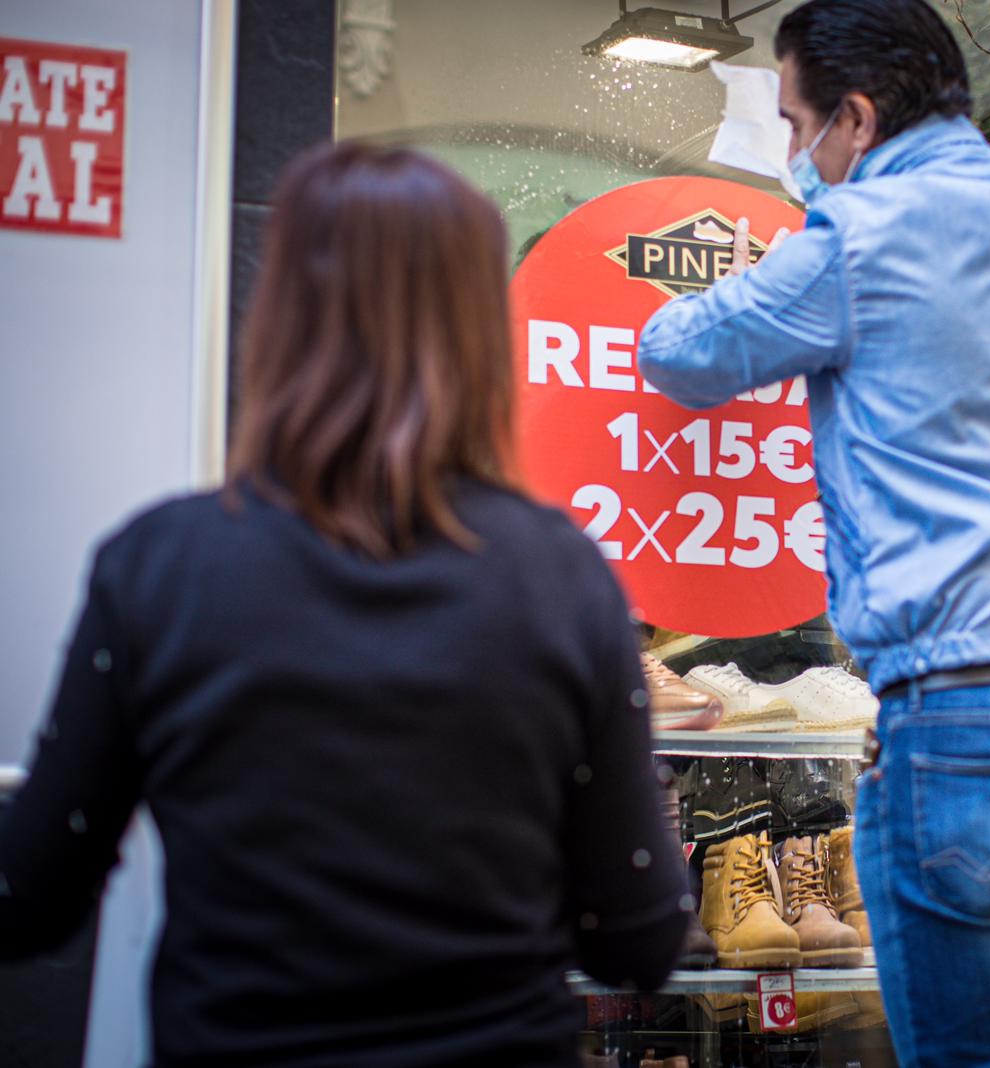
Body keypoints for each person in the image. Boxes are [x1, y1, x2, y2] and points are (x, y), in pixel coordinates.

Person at [0, 142, 687, 1066]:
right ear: (481, 332)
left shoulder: (159, 564)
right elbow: (638, 942)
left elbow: (30, 894)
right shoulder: (560, 575)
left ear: (279, 318)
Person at [637, 1, 990, 1063]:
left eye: (794, 124)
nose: (792, 152)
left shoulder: (860, 237)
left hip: (974, 726)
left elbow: (678, 353)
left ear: (859, 120)